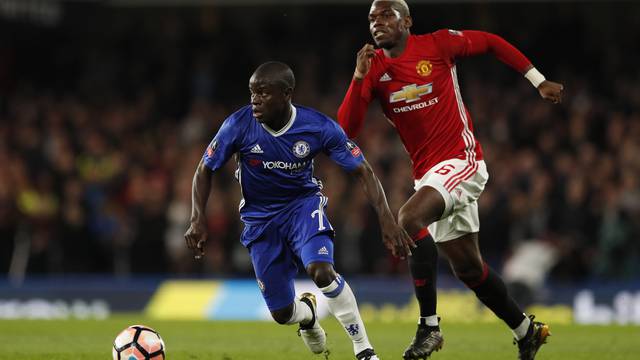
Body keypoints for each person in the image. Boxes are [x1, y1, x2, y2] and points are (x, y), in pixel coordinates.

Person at [337, 1, 564, 359]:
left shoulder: (438, 45)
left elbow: (490, 42)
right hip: (429, 175)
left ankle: (428, 327)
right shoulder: (375, 68)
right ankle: (527, 331)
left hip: (463, 160)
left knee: (409, 219)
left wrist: (537, 80)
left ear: (407, 21)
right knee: (469, 269)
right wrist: (358, 77)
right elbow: (346, 130)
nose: (377, 23)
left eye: (385, 15)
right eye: (371, 19)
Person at [185, 61, 415, 360]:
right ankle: (307, 314)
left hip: (301, 207)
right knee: (281, 312)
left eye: (264, 93)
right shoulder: (238, 125)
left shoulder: (318, 126)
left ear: (287, 94)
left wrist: (386, 218)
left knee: (321, 271)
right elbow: (205, 169)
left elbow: (363, 170)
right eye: (253, 92)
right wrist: (197, 217)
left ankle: (364, 351)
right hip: (260, 219)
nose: (255, 99)